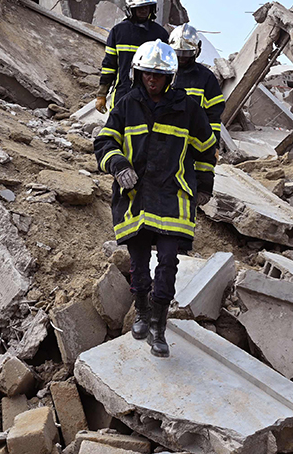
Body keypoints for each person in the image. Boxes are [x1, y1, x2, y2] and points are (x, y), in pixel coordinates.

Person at [94, 40, 217, 357]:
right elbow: (106, 142)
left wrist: (204, 183)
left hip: (172, 194)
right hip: (134, 194)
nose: (152, 80)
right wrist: (118, 165)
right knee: (138, 264)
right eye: (148, 73)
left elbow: (205, 148)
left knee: (167, 262)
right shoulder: (126, 103)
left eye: (159, 75)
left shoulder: (187, 107)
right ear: (139, 73)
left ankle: (159, 328)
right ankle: (142, 313)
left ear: (170, 77)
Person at [96, 0, 169, 114]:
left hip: (150, 96)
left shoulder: (160, 34)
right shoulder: (118, 31)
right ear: (131, 9)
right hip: (123, 92)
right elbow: (109, 65)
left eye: (147, 6)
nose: (143, 10)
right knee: (117, 127)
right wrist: (102, 94)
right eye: (139, 7)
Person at [169, 23, 225, 137]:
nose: (181, 58)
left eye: (186, 53)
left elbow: (214, 114)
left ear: (197, 50)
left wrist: (214, 145)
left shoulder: (206, 77)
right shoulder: (163, 74)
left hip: (194, 142)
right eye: (178, 53)